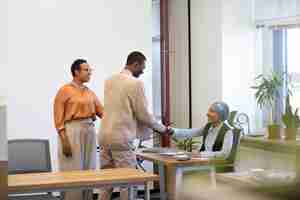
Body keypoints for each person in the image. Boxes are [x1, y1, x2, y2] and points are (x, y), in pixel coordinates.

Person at [98, 51, 171, 200]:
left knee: (107, 181)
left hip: (104, 136)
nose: (143, 72)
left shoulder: (109, 80)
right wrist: (164, 129)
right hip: (121, 138)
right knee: (129, 182)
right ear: (135, 64)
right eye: (142, 68)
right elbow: (143, 115)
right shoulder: (135, 83)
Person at [54, 59, 103, 200]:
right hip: (72, 130)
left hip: (89, 130)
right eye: (86, 70)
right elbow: (58, 119)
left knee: (89, 169)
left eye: (90, 70)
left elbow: (103, 112)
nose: (90, 73)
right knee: (72, 169)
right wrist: (64, 141)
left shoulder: (90, 92)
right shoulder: (64, 90)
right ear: (76, 72)